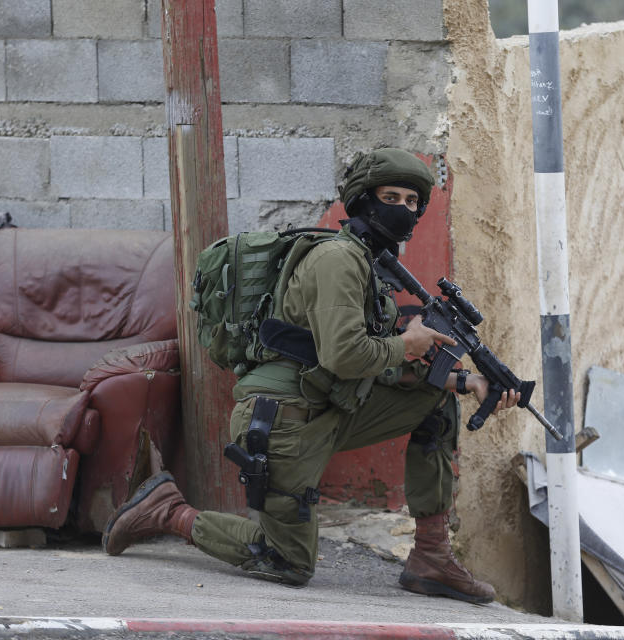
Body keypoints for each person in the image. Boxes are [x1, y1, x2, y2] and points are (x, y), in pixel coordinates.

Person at [101, 148, 519, 604]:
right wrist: (409, 343)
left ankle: (431, 557)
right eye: (390, 196)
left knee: (435, 403)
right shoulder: (338, 260)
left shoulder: (366, 263)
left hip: (328, 409)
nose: (403, 209)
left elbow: (374, 365)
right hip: (282, 422)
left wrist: (465, 382)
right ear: (362, 200)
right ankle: (167, 511)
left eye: (413, 201)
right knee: (287, 562)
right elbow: (346, 355)